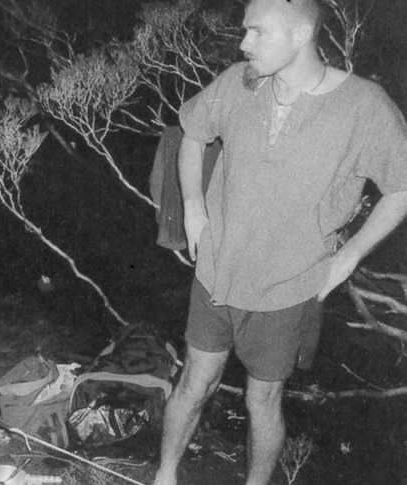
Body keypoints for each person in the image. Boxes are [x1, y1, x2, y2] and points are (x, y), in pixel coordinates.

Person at [152, 0, 407, 484]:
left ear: (301, 34)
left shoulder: (365, 107)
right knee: (194, 382)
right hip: (215, 273)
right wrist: (193, 208)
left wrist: (350, 256)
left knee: (261, 399)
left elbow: (401, 187)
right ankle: (164, 475)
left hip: (287, 287)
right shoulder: (238, 82)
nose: (243, 43)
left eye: (256, 32)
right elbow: (192, 133)